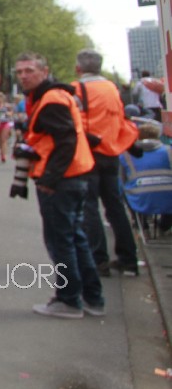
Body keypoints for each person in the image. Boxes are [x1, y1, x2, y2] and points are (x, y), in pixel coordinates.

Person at [13, 52, 102, 320]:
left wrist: (50, 179)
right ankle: (92, 297)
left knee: (60, 241)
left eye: (29, 70)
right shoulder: (55, 96)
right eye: (19, 72)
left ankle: (69, 299)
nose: (23, 76)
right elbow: (68, 136)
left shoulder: (51, 100)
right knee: (75, 238)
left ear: (44, 71)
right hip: (74, 175)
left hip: (61, 180)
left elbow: (66, 141)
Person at [72, 49, 140, 277]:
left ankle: (98, 259)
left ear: (78, 68)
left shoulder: (76, 89)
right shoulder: (112, 88)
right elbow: (121, 119)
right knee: (115, 206)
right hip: (111, 152)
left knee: (90, 207)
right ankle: (128, 259)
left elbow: (73, 121)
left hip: (89, 153)